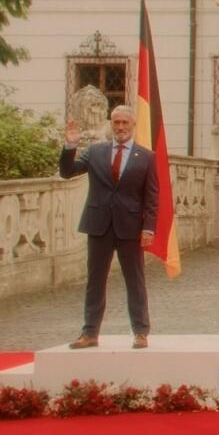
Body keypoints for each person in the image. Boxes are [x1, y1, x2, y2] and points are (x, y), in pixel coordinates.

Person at [59, 105, 158, 350]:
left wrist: (149, 228)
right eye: (116, 122)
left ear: (133, 125)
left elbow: (152, 196)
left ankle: (141, 332)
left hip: (131, 227)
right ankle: (90, 333)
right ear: (111, 124)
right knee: (95, 280)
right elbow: (67, 172)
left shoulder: (146, 157)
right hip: (99, 225)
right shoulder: (95, 152)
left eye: (125, 123)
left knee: (135, 280)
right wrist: (71, 146)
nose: (120, 127)